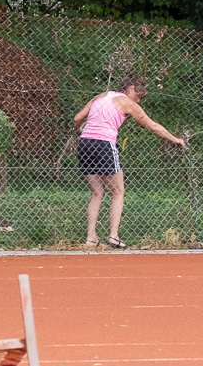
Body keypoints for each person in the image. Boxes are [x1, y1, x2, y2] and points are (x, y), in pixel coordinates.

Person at [71, 80, 185, 249]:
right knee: (117, 192)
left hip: (85, 143)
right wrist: (175, 139)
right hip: (104, 145)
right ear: (131, 89)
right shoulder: (126, 102)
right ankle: (113, 236)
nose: (138, 101)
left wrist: (79, 130)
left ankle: (91, 238)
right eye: (138, 96)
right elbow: (152, 126)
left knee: (97, 193)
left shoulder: (100, 96)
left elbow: (77, 118)